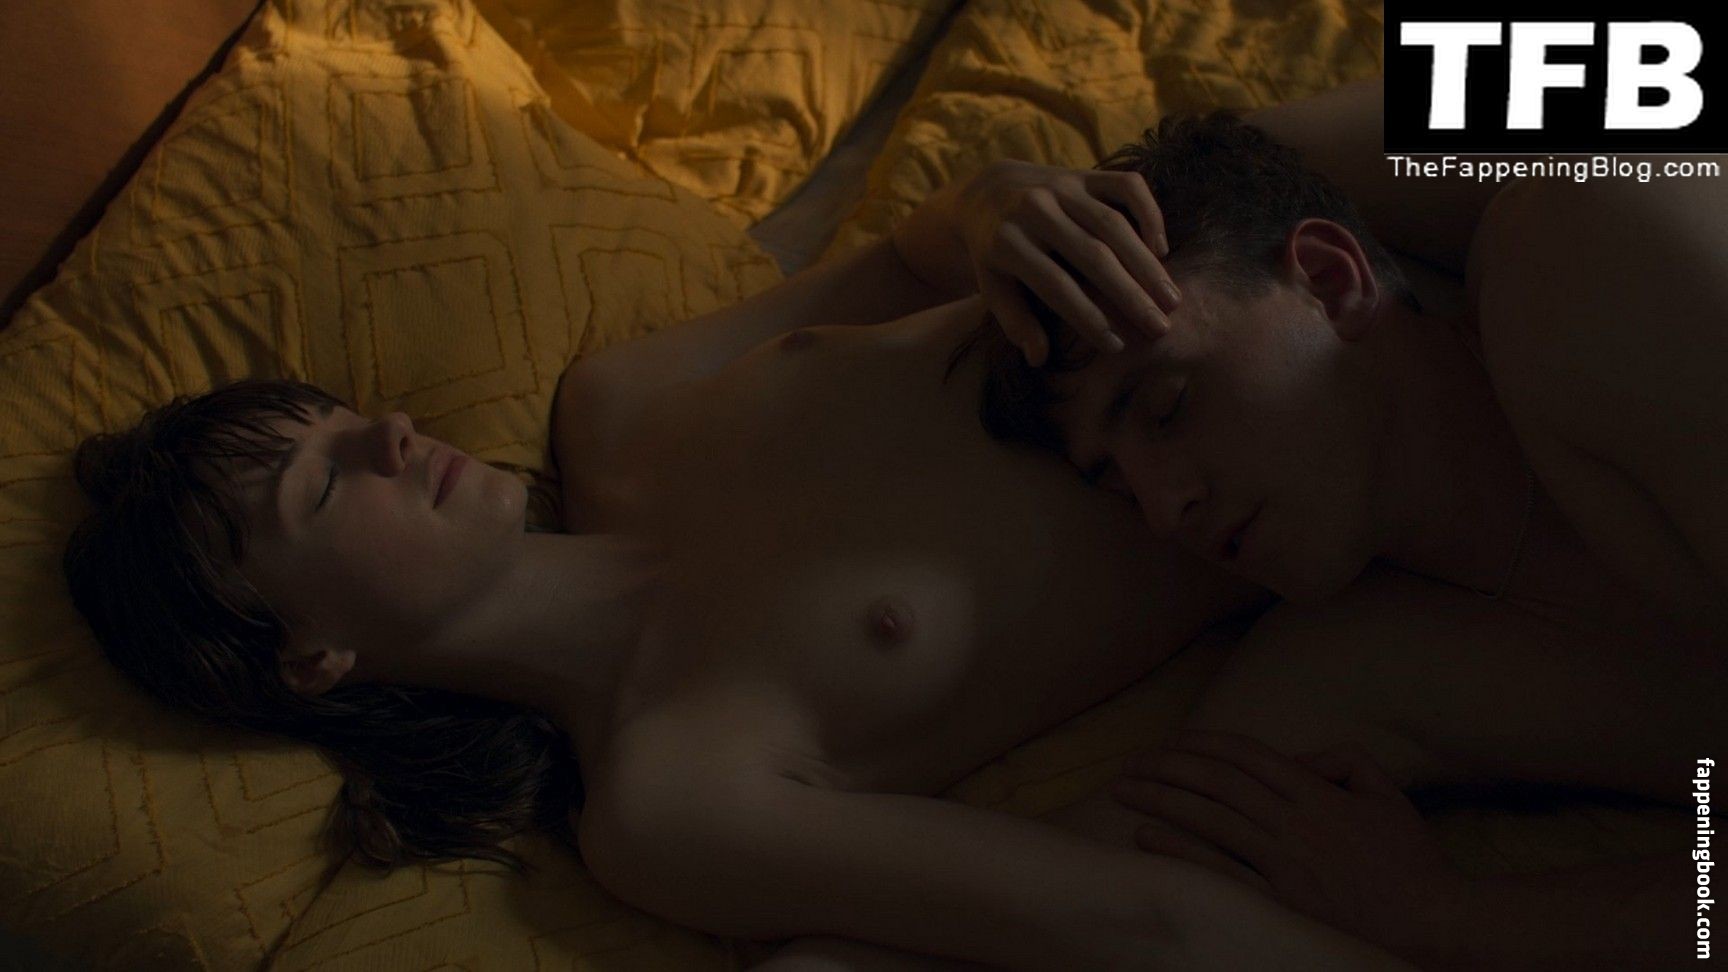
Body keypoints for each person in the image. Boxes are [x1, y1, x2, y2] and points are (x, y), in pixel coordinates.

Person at [957, 78, 1727, 967]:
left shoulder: (1591, 273)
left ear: (1329, 281)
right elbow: (1098, 885)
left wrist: (1461, 921)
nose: (1164, 511)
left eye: (1169, 407)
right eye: (1119, 487)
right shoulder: (1364, 665)